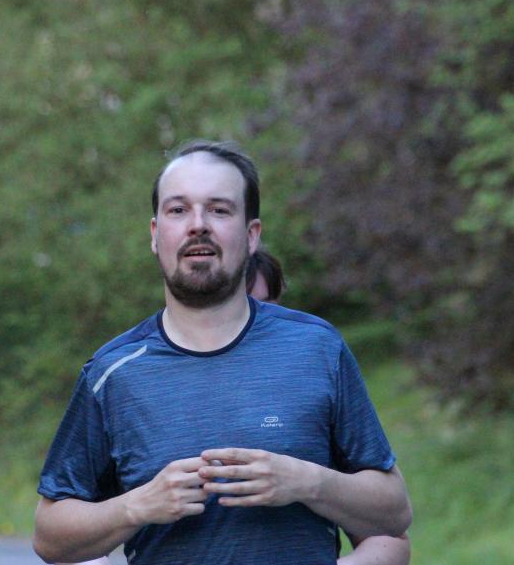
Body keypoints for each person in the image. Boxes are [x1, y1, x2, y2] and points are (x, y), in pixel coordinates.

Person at [34, 140, 412, 564]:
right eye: (179, 210)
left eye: (219, 210)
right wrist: (136, 506)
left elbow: (395, 512)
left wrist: (308, 481)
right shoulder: (114, 373)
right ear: (156, 234)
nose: (198, 225)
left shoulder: (316, 348)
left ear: (252, 235)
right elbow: (49, 536)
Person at [246, 247, 411, 565]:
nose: (258, 320)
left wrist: (307, 482)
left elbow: (392, 536)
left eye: (269, 306)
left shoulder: (310, 379)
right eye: (246, 305)